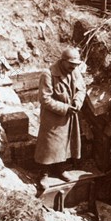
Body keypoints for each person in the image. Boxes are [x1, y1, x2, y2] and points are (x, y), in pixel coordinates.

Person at [35, 47, 87, 190]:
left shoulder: (74, 72)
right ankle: (43, 173)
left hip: (69, 116)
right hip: (53, 118)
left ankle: (60, 169)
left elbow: (82, 89)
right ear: (63, 61)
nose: (73, 67)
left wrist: (77, 102)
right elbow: (44, 99)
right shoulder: (48, 74)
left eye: (76, 65)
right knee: (49, 146)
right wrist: (65, 108)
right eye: (71, 64)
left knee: (65, 144)